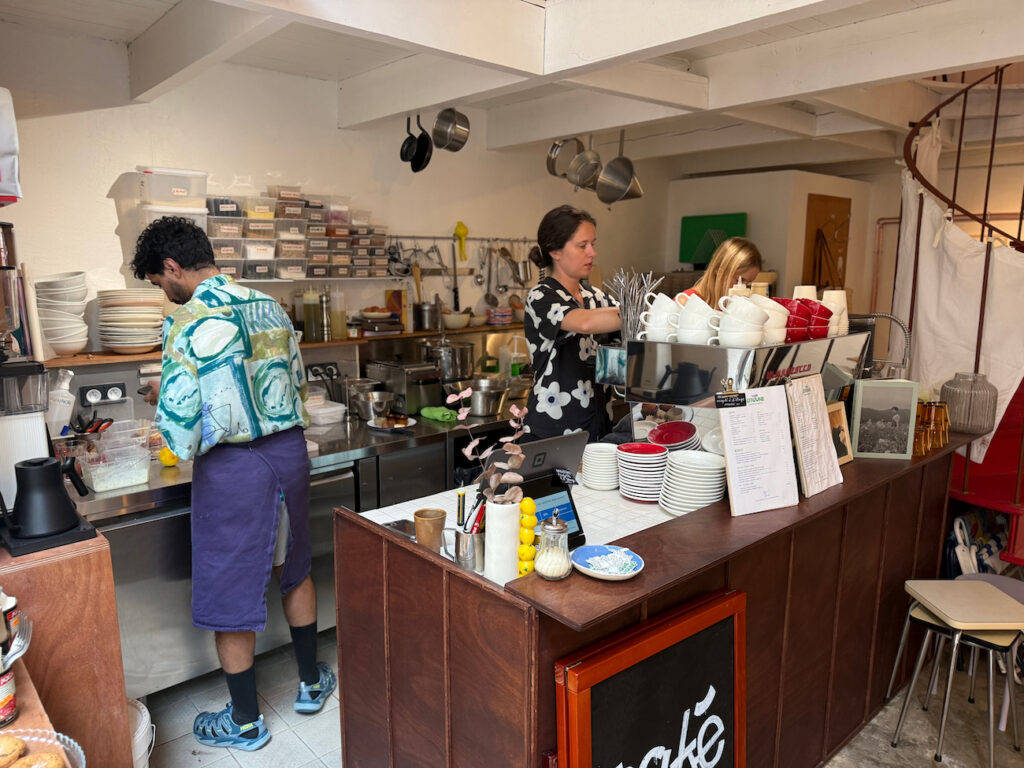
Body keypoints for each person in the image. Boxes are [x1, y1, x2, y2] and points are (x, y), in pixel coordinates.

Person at [131, 217, 335, 752]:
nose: (164, 293)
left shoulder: (189, 321)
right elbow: (296, 383)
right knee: (296, 569)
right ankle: (312, 683)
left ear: (172, 268)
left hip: (235, 467)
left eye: (159, 282)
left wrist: (165, 416)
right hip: (288, 453)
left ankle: (245, 721)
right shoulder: (270, 304)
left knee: (229, 585)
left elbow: (178, 425)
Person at [523, 205, 621, 441]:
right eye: (582, 245)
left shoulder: (597, 297)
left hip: (596, 424)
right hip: (553, 428)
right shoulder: (541, 297)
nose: (592, 253)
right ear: (555, 251)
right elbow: (584, 323)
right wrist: (643, 311)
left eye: (593, 244)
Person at [682, 237, 763, 309]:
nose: (744, 288)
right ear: (718, 270)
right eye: (740, 281)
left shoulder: (728, 305)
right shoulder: (686, 302)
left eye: (748, 284)